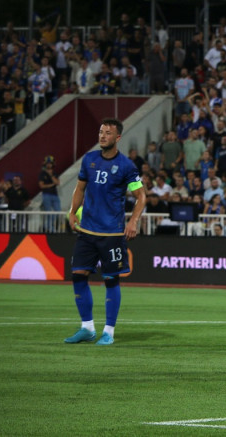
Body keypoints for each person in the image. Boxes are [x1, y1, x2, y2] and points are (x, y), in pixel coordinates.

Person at [64, 118, 146, 346]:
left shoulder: (126, 166)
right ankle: (87, 328)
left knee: (111, 280)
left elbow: (141, 196)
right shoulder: (89, 160)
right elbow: (80, 188)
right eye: (101, 132)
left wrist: (133, 221)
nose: (102, 136)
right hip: (87, 230)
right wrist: (73, 212)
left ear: (117, 137)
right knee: (78, 275)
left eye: (108, 133)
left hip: (111, 234)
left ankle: (108, 331)